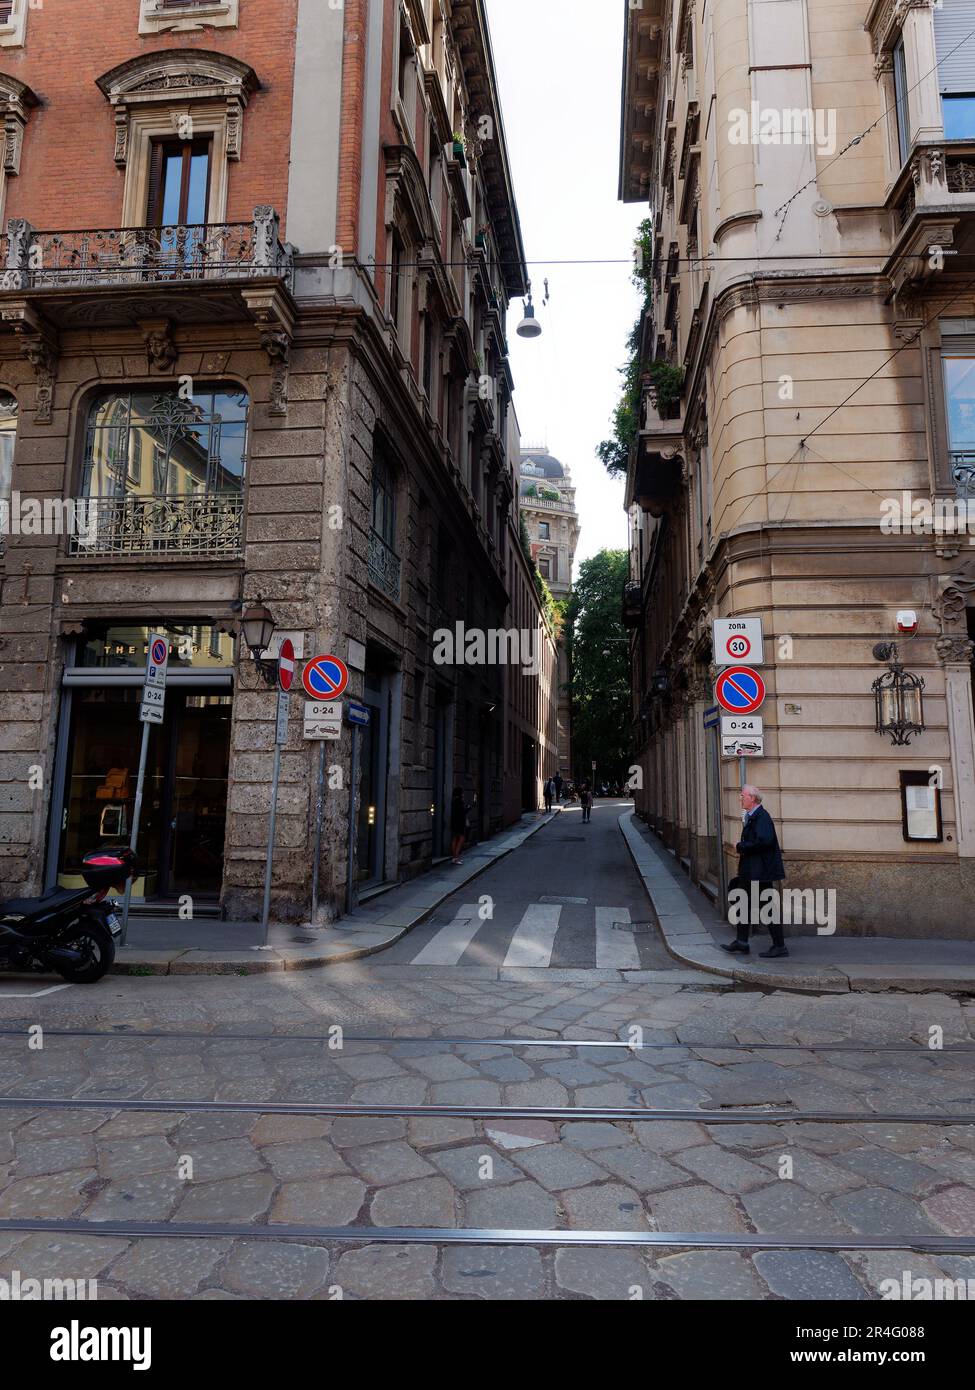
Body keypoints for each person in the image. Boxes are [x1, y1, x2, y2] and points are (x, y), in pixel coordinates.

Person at [722, 785, 788, 958]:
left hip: (759, 872)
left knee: (767, 907)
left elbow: (764, 841)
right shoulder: (754, 816)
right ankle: (742, 941)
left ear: (752, 798)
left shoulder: (762, 817)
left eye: (742, 796)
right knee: (743, 903)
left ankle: (779, 946)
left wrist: (741, 846)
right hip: (751, 870)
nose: (740, 798)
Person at [449, 787, 468, 865]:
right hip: (459, 823)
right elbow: (462, 813)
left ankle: (454, 857)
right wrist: (468, 809)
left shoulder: (453, 801)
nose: (463, 794)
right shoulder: (460, 801)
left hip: (454, 823)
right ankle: (456, 858)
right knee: (461, 839)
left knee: (454, 839)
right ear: (460, 793)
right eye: (462, 793)